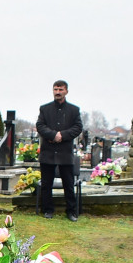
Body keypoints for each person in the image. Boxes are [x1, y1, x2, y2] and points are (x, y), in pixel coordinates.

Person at [36, 79, 83, 221]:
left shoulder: (74, 110)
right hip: (48, 152)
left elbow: (78, 127)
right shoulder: (45, 109)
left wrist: (62, 135)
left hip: (65, 153)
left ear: (66, 91)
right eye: (55, 89)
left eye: (61, 89)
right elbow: (40, 125)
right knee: (46, 184)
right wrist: (52, 135)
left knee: (68, 184)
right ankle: (48, 210)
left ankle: (71, 211)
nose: (58, 92)